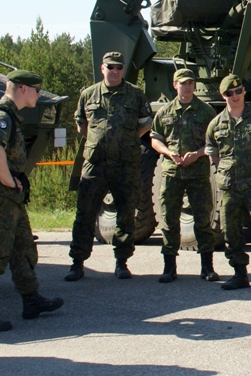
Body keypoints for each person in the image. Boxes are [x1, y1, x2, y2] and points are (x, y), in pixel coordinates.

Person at [66, 51, 152, 281]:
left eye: (119, 67)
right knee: (84, 214)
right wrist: (98, 142)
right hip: (96, 165)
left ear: (123, 70)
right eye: (110, 67)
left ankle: (122, 262)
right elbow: (81, 124)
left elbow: (145, 123)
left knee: (126, 215)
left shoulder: (135, 94)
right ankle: (77, 262)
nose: (114, 71)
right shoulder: (88, 94)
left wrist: (128, 140)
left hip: (125, 165)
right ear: (102, 68)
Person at [204, 75, 251, 291]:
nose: (235, 96)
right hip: (230, 187)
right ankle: (239, 273)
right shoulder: (216, 124)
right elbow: (214, 155)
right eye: (230, 93)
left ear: (244, 91)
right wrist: (228, 172)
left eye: (238, 91)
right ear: (223, 96)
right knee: (231, 231)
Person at [0, 70, 64, 331]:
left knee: (22, 247)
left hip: (12, 196)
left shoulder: (13, 115)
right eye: (37, 90)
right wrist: (8, 180)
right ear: (23, 89)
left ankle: (31, 300)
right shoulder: (3, 116)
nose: (39, 95)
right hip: (4, 195)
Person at [149, 68, 218, 283]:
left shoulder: (206, 112)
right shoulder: (165, 112)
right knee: (169, 220)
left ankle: (207, 267)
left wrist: (197, 154)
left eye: (190, 82)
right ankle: (169, 267)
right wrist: (168, 152)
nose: (187, 86)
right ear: (174, 85)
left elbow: (214, 142)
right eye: (183, 83)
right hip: (172, 173)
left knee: (203, 221)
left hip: (198, 174)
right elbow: (155, 139)